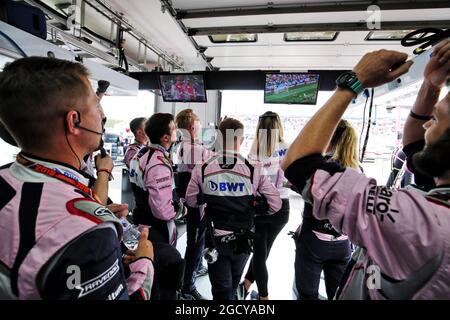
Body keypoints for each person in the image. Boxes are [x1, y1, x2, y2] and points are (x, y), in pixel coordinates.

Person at [282, 41, 450, 299]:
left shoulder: (416, 221)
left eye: (436, 119)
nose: (426, 125)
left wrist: (354, 81)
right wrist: (430, 84)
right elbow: (415, 146)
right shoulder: (438, 202)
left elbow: (298, 164)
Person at [0, 57, 154, 300]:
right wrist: (144, 262)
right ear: (74, 121)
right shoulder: (88, 231)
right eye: (96, 105)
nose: (101, 115)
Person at [186, 117, 282, 300]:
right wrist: (257, 209)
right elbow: (275, 205)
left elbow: (191, 201)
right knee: (232, 285)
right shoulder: (254, 169)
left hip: (215, 239)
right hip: (243, 239)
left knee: (221, 290)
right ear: (242, 140)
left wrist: (208, 196)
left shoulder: (202, 167)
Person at [293, 119, 357, 300]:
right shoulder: (357, 171)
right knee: (338, 295)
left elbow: (293, 173)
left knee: (307, 294)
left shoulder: (319, 169)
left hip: (314, 241)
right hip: (343, 243)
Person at [240, 111, 290, 300]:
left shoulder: (254, 152)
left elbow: (250, 184)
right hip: (282, 208)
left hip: (261, 207)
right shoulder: (288, 147)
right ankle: (246, 285)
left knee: (260, 255)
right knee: (263, 253)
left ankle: (263, 297)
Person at [129, 113, 187, 245]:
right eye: (174, 128)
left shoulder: (141, 154)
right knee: (166, 263)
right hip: (157, 228)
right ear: (165, 137)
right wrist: (181, 211)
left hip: (141, 220)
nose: (177, 131)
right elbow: (162, 210)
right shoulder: (158, 164)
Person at [175, 109, 211, 300]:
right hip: (197, 204)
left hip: (193, 202)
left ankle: (195, 269)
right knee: (195, 244)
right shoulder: (195, 149)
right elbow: (216, 162)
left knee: (197, 241)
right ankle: (187, 286)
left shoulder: (183, 146)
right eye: (198, 124)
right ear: (192, 127)